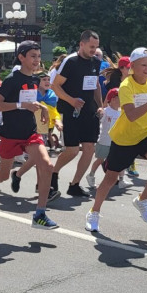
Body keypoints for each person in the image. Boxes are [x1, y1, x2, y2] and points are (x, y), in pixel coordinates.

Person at [85, 48, 147, 232]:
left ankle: (142, 199)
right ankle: (93, 212)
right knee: (110, 179)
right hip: (124, 138)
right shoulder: (126, 86)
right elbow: (132, 114)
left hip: (145, 133)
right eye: (143, 65)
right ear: (132, 66)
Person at [0, 41, 58, 229]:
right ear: (21, 57)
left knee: (47, 166)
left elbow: (30, 101)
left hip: (30, 133)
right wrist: (20, 105)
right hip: (10, 134)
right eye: (33, 56)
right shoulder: (11, 80)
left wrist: (42, 108)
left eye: (39, 56)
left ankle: (40, 214)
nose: (37, 60)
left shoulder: (35, 79)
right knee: (2, 175)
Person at [50, 30, 104, 198]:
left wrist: (100, 106)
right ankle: (53, 172)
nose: (93, 50)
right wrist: (71, 100)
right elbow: (55, 86)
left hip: (89, 111)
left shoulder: (96, 62)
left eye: (96, 47)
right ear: (82, 44)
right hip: (71, 110)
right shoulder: (71, 61)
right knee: (72, 150)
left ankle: (74, 184)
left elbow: (96, 85)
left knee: (89, 149)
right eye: (91, 47)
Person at [86, 88, 131, 193]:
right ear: (113, 99)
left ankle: (121, 180)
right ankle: (91, 175)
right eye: (121, 97)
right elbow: (98, 118)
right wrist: (99, 111)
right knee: (100, 159)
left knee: (121, 160)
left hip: (118, 141)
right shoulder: (106, 111)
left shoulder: (122, 112)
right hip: (104, 140)